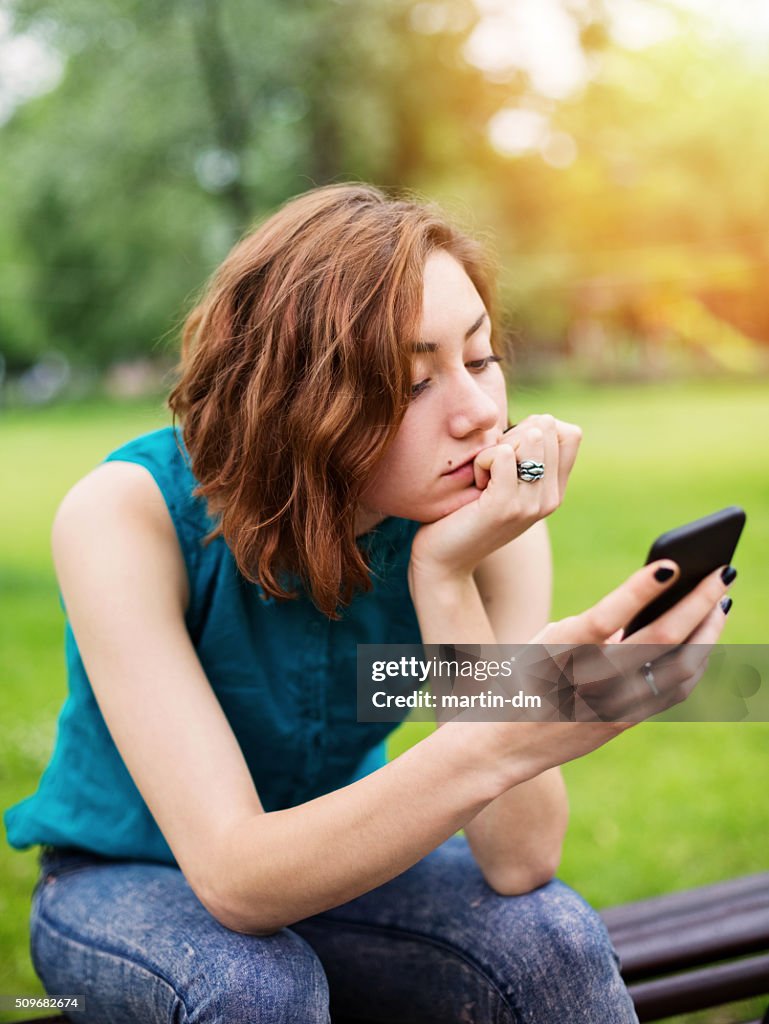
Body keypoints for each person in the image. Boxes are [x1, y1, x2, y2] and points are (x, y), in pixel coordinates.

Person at [4, 183, 735, 1024]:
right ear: (293, 401)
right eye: (410, 383)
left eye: (481, 356)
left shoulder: (490, 521)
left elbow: (519, 859)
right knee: (256, 990)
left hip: (353, 853)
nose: (477, 412)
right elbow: (236, 880)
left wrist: (446, 576)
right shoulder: (123, 514)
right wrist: (511, 729)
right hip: (123, 880)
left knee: (555, 939)